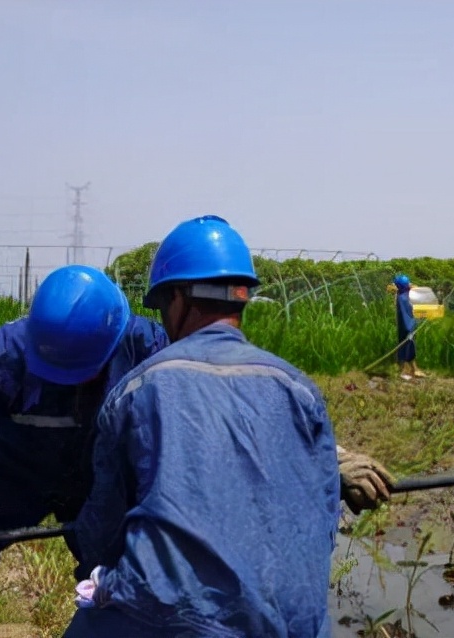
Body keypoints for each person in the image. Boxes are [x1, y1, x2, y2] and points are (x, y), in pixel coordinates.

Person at [65, 215, 340, 637]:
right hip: (297, 625)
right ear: (241, 297)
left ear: (179, 299)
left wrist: (97, 575)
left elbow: (102, 531)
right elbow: (322, 516)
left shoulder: (137, 389)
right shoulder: (299, 389)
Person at [0, 265, 168, 638]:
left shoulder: (145, 344)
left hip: (98, 474)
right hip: (15, 466)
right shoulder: (5, 354)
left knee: (116, 577)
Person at [394, 273, 426, 379]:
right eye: (407, 283)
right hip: (407, 327)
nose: (410, 284)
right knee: (405, 347)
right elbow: (406, 315)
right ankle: (403, 371)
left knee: (409, 347)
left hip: (407, 327)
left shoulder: (402, 294)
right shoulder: (403, 298)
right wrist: (410, 328)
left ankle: (414, 369)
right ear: (405, 285)